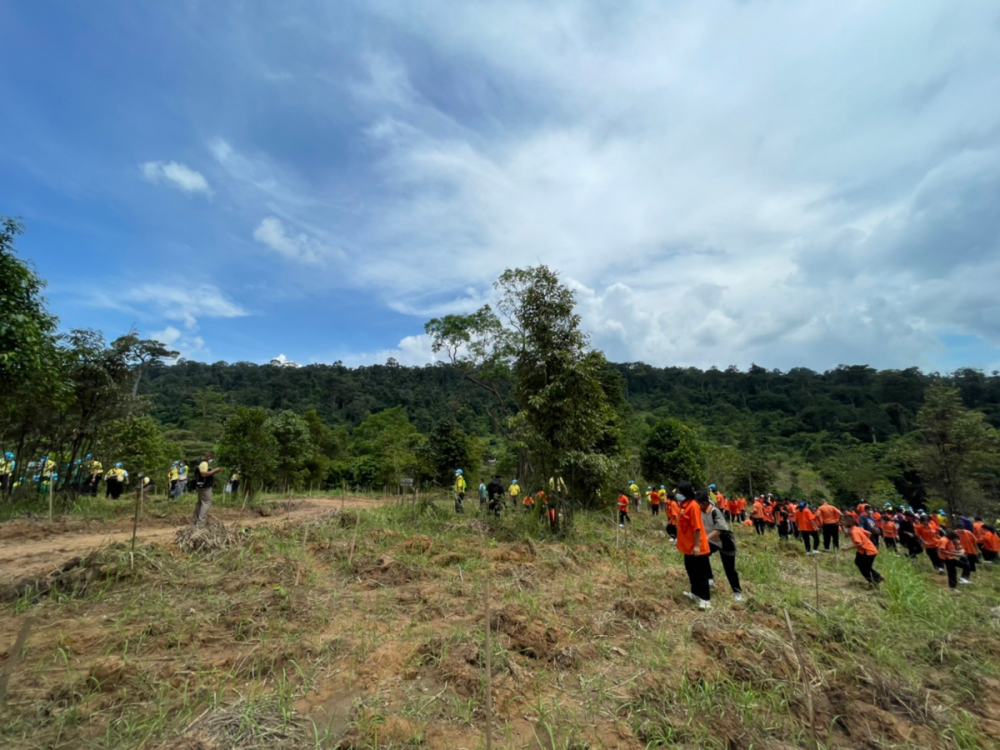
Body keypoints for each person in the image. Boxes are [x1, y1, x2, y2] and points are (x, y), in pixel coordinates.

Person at [698, 491, 743, 602]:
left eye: (698, 503)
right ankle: (710, 578)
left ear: (704, 503)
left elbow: (721, 529)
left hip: (725, 543)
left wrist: (706, 538)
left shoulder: (715, 512)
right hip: (712, 542)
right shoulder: (700, 511)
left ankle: (737, 592)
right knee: (702, 555)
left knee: (729, 569)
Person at [676, 483, 711, 610]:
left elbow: (697, 528)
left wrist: (697, 546)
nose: (677, 494)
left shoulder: (693, 506)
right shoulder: (683, 506)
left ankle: (705, 599)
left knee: (700, 573)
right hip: (687, 547)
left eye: (679, 491)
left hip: (697, 547)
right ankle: (695, 593)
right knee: (690, 570)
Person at [843, 515, 883, 585]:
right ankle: (878, 578)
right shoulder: (856, 528)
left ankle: (875, 580)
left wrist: (847, 548)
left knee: (865, 568)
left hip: (868, 552)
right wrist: (866, 540)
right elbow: (869, 533)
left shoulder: (854, 531)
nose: (843, 522)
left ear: (849, 522)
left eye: (844, 521)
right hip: (865, 550)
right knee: (860, 564)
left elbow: (859, 544)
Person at [192, 451, 224, 526]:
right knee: (206, 503)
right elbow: (203, 474)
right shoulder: (204, 463)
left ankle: (195, 521)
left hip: (201, 486)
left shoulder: (200, 463)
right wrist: (215, 471)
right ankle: (200, 523)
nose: (213, 459)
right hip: (205, 487)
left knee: (200, 503)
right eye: (213, 457)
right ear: (209, 456)